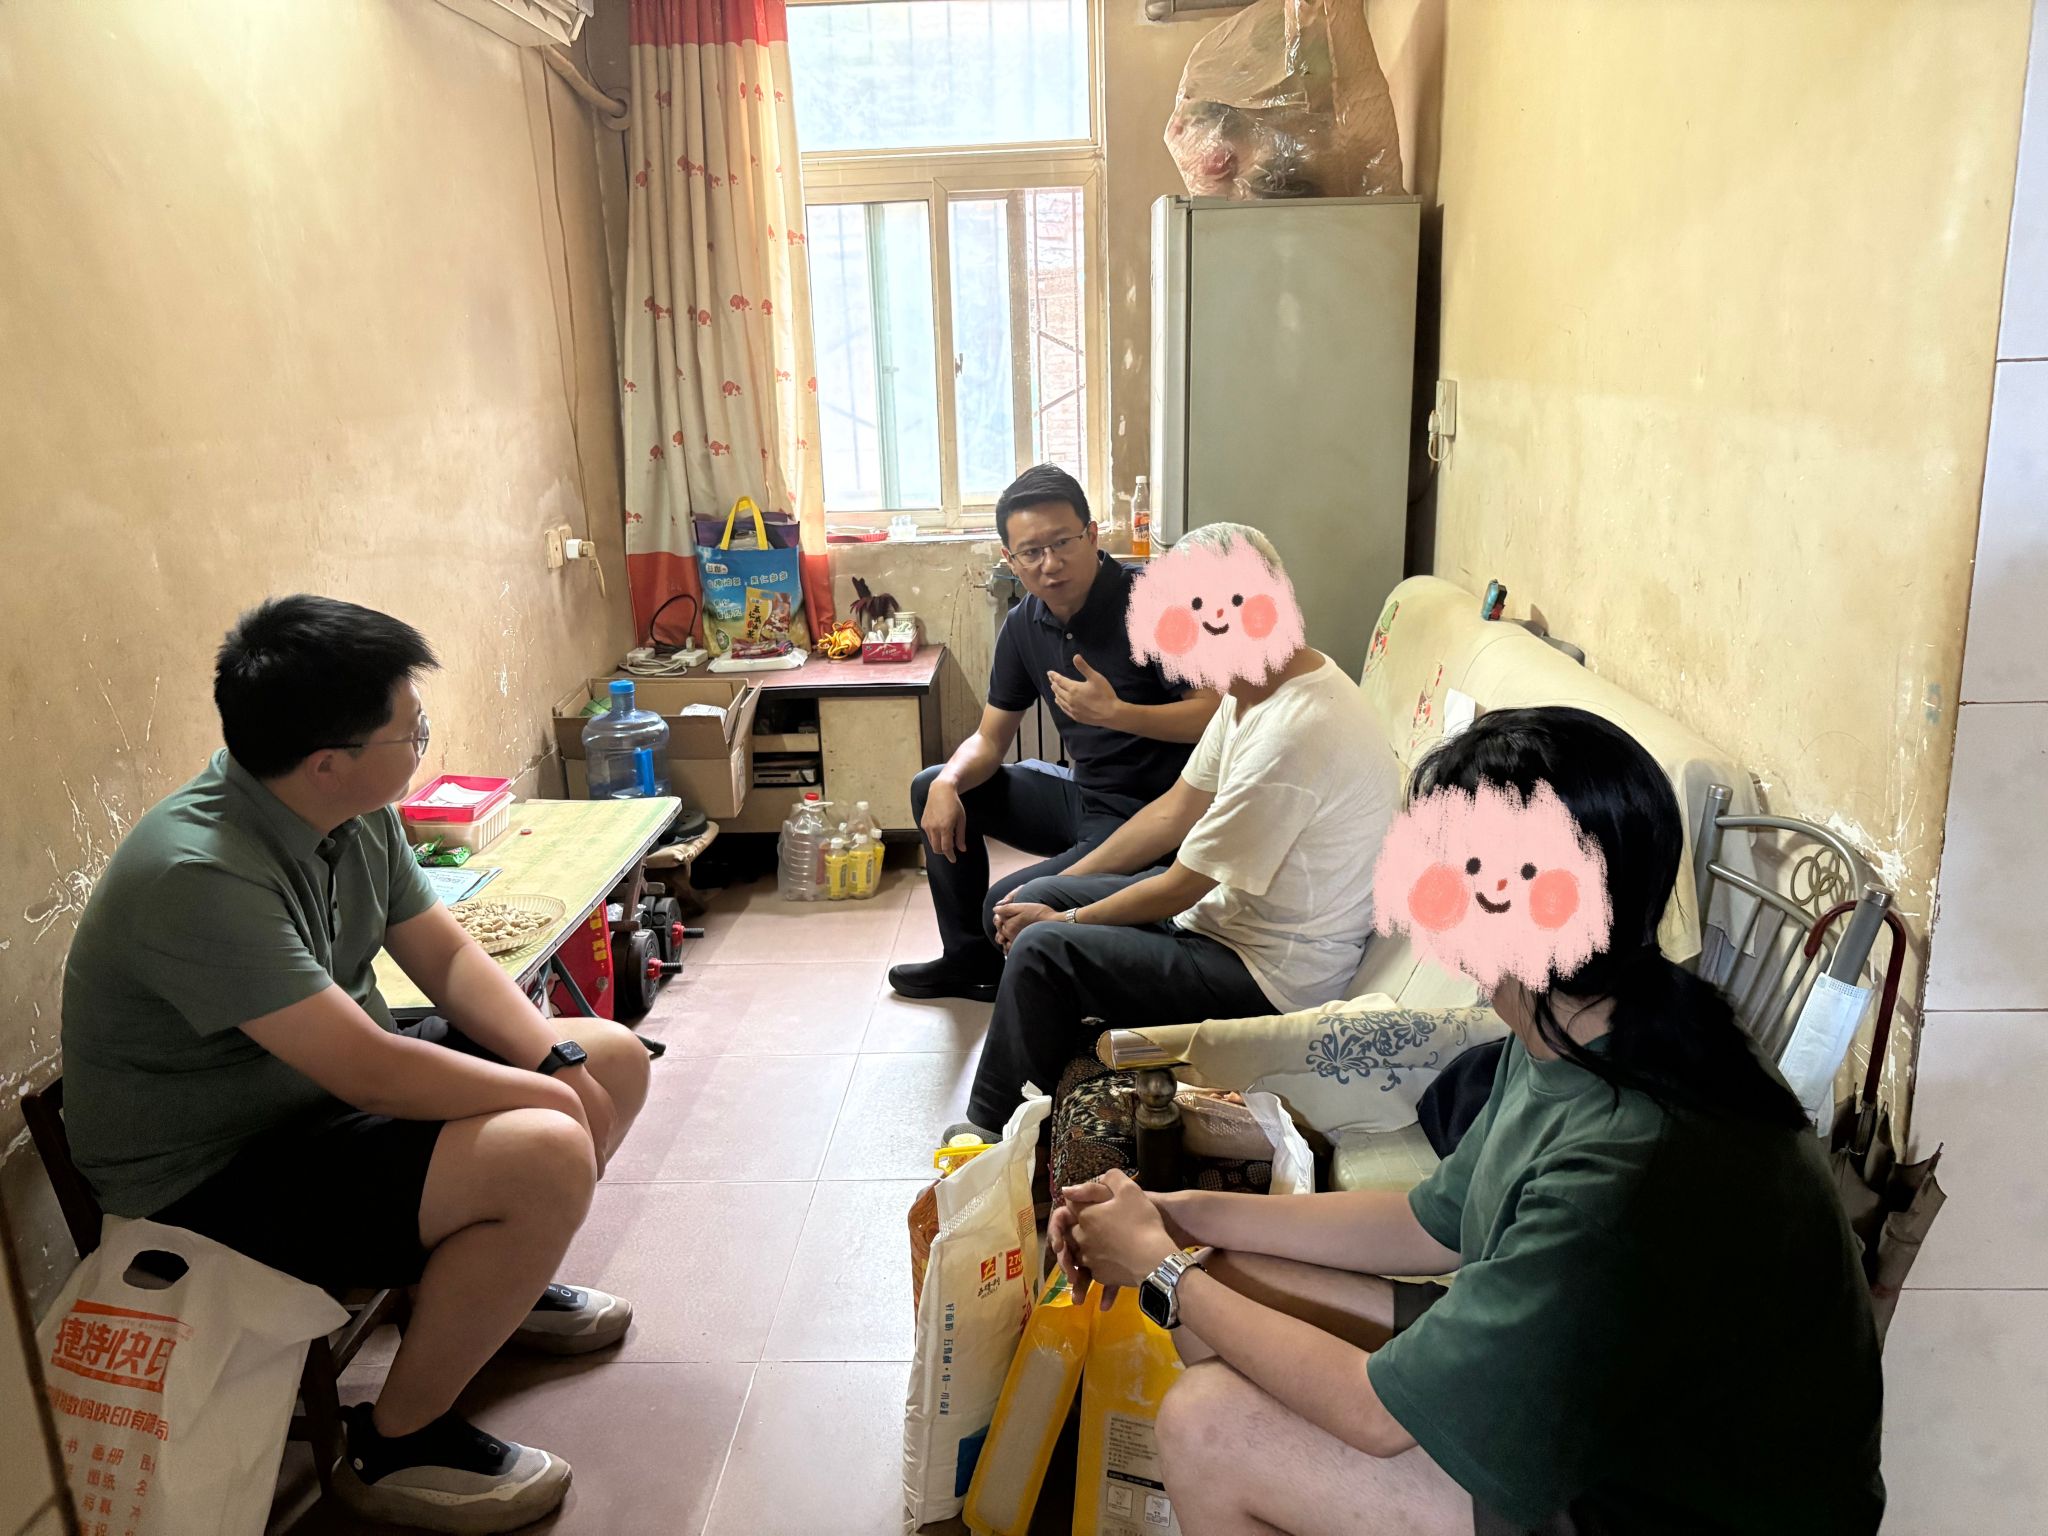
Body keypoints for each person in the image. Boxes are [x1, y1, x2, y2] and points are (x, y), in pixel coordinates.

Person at [1051, 707, 1886, 1536]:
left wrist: (1162, 1271)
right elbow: (1431, 1221)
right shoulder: (1582, 1022)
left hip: (1680, 1504)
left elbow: (1374, 1416)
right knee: (1229, 1278)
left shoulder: (1626, 1162)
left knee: (1208, 1425)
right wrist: (1185, 1216)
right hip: (1605, 1415)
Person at [61, 596, 651, 1533]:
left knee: (610, 1059)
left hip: (315, 1103)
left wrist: (560, 1058)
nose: (422, 741)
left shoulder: (349, 809)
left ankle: (486, 1283)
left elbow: (447, 958)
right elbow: (371, 1071)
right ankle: (397, 1446)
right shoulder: (197, 873)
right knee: (544, 1149)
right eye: (410, 730)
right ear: (327, 760)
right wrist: (546, 1094)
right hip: (211, 1177)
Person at [952, 522, 1401, 1138]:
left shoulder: (1294, 733)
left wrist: (1068, 921)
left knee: (1042, 949)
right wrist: (1059, 888)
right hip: (1224, 921)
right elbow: (1173, 810)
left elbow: (1180, 886)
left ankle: (988, 1130)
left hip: (1265, 975)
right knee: (1035, 898)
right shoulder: (1252, 690)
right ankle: (1053, 1072)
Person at [888, 464, 1220, 1003]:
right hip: (1085, 797)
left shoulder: (1154, 604)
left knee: (1002, 907)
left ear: (1092, 535)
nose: (1050, 563)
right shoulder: (1024, 623)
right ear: (1010, 560)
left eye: (1062, 542)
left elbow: (1214, 715)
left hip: (1155, 819)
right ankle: (968, 963)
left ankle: (1025, 966)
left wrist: (1119, 714)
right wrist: (949, 783)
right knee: (934, 786)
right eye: (1031, 552)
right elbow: (990, 739)